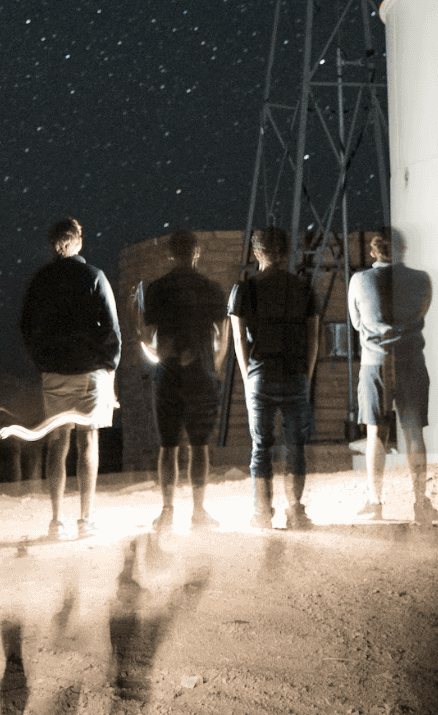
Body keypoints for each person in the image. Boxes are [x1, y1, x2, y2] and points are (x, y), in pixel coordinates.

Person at [17, 217, 121, 540]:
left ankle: (56, 520)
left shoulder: (40, 281)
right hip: (91, 373)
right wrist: (110, 369)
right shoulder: (95, 277)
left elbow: (26, 326)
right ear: (79, 241)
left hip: (55, 373)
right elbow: (112, 330)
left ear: (52, 244)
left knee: (57, 443)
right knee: (88, 440)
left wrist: (42, 361)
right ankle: (85, 520)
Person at [227, 226, 320, 530]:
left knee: (261, 447)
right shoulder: (304, 287)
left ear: (256, 253)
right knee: (296, 445)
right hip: (295, 374)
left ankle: (262, 513)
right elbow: (313, 337)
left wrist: (246, 374)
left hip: (260, 374)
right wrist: (306, 373)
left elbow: (239, 339)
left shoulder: (245, 289)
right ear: (286, 252)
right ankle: (296, 510)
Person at [133, 229, 226, 532]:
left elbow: (147, 336)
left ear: (170, 254)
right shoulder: (210, 288)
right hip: (202, 373)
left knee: (168, 445)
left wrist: (133, 313)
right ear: (196, 253)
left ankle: (168, 510)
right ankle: (198, 511)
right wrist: (217, 366)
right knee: (199, 445)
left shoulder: (157, 289)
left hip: (168, 373)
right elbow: (223, 333)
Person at [349, 227, 437, 524]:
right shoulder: (422, 280)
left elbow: (357, 322)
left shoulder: (360, 280)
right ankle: (420, 502)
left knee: (376, 433)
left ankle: (375, 503)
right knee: (414, 433)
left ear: (374, 252)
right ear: (402, 249)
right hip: (412, 361)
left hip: (375, 363)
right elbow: (422, 312)